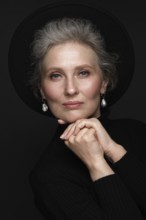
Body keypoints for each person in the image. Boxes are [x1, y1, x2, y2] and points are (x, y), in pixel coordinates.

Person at [8, 1, 146, 219]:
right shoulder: (48, 176)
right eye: (56, 75)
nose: (70, 89)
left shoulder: (138, 133)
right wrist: (96, 163)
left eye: (83, 73)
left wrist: (113, 150)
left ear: (104, 82)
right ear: (42, 90)